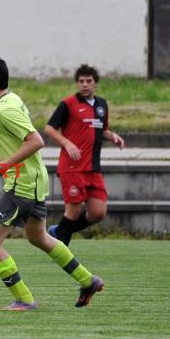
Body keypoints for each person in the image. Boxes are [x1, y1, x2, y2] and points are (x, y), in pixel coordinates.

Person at [0, 54, 104, 311]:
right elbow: (19, 139)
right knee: (39, 237)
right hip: (34, 181)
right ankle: (88, 280)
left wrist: (6, 165)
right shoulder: (11, 99)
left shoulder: (5, 108)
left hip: (21, 185)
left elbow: (36, 141)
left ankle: (24, 299)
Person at [45, 64, 125, 246]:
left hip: (93, 168)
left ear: (95, 83)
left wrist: (113, 136)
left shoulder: (102, 105)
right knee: (73, 210)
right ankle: (61, 251)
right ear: (77, 83)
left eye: (89, 81)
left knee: (98, 212)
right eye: (81, 81)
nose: (85, 84)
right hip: (72, 167)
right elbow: (49, 128)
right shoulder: (68, 104)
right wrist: (67, 143)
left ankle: (58, 231)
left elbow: (101, 129)